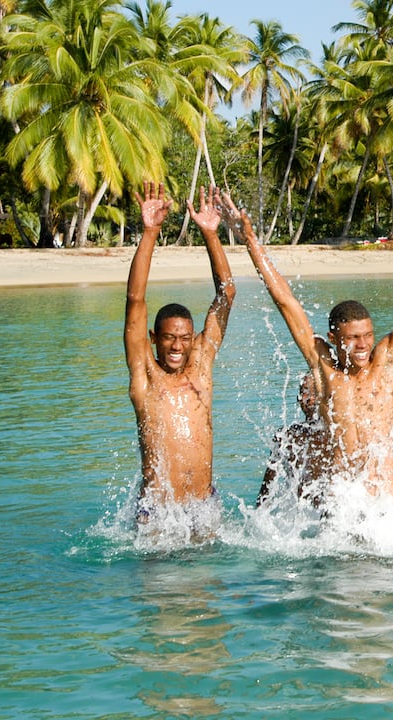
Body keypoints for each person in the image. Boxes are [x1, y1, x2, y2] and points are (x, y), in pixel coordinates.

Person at [242, 196, 393, 503]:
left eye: (368, 336)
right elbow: (286, 302)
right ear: (333, 337)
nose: (363, 345)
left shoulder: (385, 360)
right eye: (353, 338)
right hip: (341, 509)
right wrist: (251, 242)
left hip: (384, 510)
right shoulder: (324, 367)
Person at [124, 182, 235, 527]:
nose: (177, 347)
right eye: (169, 338)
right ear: (154, 339)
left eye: (185, 339)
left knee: (204, 583)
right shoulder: (145, 376)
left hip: (204, 504)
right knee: (160, 583)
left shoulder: (201, 366)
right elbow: (135, 302)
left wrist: (210, 235)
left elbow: (226, 295)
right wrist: (150, 233)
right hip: (159, 511)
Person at [255, 373, 326, 508]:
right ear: (298, 398)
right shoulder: (286, 437)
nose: (310, 398)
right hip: (300, 518)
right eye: (305, 391)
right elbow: (264, 495)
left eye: (316, 391)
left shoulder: (339, 436)